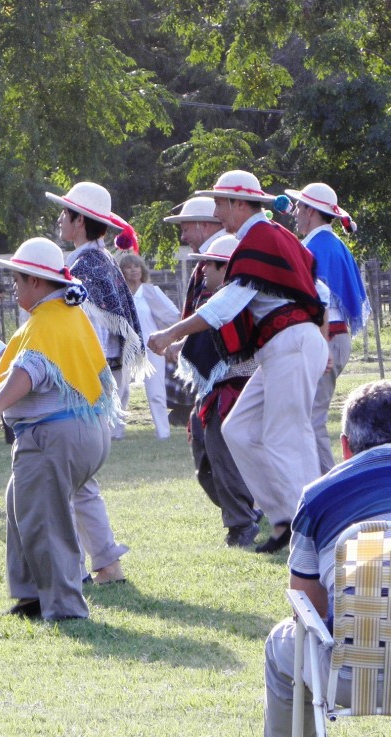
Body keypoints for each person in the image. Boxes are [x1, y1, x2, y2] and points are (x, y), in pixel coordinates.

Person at [147, 170, 328, 554]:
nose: (216, 212)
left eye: (219, 203)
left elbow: (227, 304)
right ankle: (285, 519)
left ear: (238, 203)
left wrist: (172, 333)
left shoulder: (259, 238)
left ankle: (316, 527)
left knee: (287, 438)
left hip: (291, 344)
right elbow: (319, 291)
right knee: (239, 429)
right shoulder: (271, 236)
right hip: (283, 348)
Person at [0, 237, 115, 621]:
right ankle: (31, 596)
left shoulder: (46, 321)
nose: (13, 286)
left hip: (53, 435)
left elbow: (30, 370)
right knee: (22, 506)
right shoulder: (69, 315)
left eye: (18, 279)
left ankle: (65, 609)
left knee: (46, 522)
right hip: (84, 429)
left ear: (35, 281)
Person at [263, 380, 391, 737]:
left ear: (346, 446)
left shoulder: (319, 497)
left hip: (354, 678)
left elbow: (307, 609)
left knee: (282, 643)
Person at [46, 181, 137, 583]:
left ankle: (78, 568)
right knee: (78, 479)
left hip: (86, 384)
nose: (60, 219)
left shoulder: (83, 269)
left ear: (80, 221)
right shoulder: (102, 263)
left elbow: (91, 336)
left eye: (65, 213)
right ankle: (105, 563)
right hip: (101, 382)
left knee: (66, 477)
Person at [283, 182, 369, 474]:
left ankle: (329, 482)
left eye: (299, 206)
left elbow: (315, 301)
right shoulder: (332, 244)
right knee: (308, 415)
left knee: (311, 417)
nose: (295, 213)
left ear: (311, 211)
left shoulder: (315, 248)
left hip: (325, 337)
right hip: (334, 336)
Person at [182, 235, 260, 547]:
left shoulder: (238, 305)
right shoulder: (213, 302)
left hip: (234, 392)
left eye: (209, 264)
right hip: (212, 392)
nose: (202, 270)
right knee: (205, 461)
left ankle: (241, 523)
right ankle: (245, 512)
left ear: (226, 269)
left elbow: (238, 354)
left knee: (223, 459)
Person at [161, 197, 231, 531]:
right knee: (205, 449)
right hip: (213, 379)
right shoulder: (207, 262)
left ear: (204, 225)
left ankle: (244, 514)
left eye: (186, 227)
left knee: (215, 448)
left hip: (226, 376)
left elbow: (213, 318)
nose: (183, 235)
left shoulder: (221, 262)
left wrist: (180, 340)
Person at [117, 252, 179, 439]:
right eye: (128, 267)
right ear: (122, 271)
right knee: (120, 390)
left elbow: (174, 314)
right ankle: (116, 433)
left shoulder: (151, 291)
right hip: (126, 348)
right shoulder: (119, 295)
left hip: (152, 347)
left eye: (136, 266)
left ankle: (163, 433)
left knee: (155, 392)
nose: (133, 270)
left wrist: (169, 337)